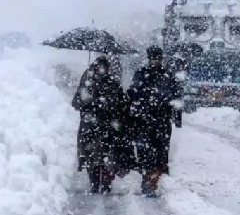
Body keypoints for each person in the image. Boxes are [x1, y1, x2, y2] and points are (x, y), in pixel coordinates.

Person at [71, 56, 133, 194]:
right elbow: (76, 102)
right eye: (100, 67)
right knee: (91, 156)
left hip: (107, 126)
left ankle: (106, 182)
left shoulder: (112, 84)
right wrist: (89, 102)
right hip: (90, 126)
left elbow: (120, 103)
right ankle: (94, 182)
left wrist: (114, 107)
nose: (103, 70)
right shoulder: (87, 82)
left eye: (105, 67)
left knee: (108, 155)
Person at [127, 46, 182, 197]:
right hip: (145, 120)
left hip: (161, 121)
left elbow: (176, 97)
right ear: (149, 58)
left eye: (157, 58)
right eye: (153, 58)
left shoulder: (167, 76)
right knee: (146, 153)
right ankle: (148, 182)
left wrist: (177, 117)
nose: (155, 61)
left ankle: (153, 182)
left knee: (160, 153)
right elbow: (133, 93)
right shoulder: (142, 74)